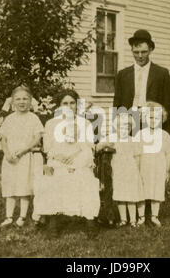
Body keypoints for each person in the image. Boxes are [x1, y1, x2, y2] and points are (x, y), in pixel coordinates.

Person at [33, 90, 100, 234]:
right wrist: (58, 156)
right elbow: (47, 148)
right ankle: (53, 220)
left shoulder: (85, 123)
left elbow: (89, 146)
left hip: (80, 157)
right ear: (59, 106)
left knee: (85, 177)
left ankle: (89, 219)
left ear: (77, 105)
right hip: (58, 159)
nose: (69, 106)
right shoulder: (51, 124)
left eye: (72, 103)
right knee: (53, 178)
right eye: (65, 103)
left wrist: (75, 155)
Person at [113, 29, 170, 137]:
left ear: (150, 50)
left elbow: (168, 106)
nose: (140, 56)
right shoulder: (122, 75)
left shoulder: (161, 73)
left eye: (144, 52)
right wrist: (117, 131)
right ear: (131, 50)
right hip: (128, 127)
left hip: (152, 126)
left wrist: (167, 135)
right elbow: (117, 105)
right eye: (136, 52)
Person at [0, 86, 44, 227]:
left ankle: (22, 217)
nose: (22, 102)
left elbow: (37, 138)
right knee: (10, 186)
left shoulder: (33, 118)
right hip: (10, 157)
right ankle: (9, 216)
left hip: (25, 157)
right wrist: (6, 153)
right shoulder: (9, 119)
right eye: (18, 99)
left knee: (24, 187)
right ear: (12, 102)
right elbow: (3, 138)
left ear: (30, 101)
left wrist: (24, 149)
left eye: (25, 99)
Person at [137, 101, 170, 227]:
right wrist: (136, 169)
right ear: (144, 118)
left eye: (157, 118)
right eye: (150, 117)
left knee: (157, 192)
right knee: (141, 192)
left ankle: (154, 216)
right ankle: (141, 216)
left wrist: (167, 171)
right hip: (143, 168)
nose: (154, 120)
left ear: (162, 119)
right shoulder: (140, 134)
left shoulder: (164, 135)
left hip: (158, 169)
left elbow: (168, 153)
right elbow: (136, 153)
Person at [106, 113, 144, 228]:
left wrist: (138, 171)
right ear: (116, 128)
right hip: (118, 171)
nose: (123, 130)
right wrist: (105, 144)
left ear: (130, 128)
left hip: (130, 171)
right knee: (120, 195)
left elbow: (137, 156)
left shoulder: (133, 140)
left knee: (131, 195)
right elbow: (100, 146)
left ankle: (132, 219)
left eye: (126, 128)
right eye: (120, 127)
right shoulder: (112, 139)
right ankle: (123, 219)